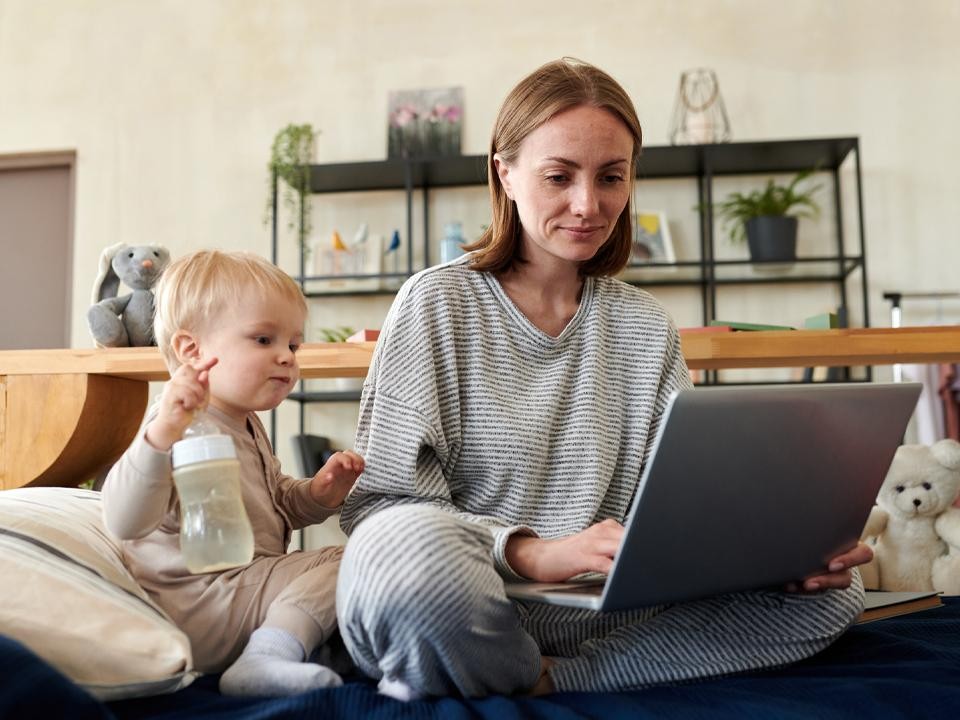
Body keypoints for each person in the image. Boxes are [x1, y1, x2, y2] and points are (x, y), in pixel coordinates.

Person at [334, 58, 872, 699]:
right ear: (504, 173)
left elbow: (683, 502)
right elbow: (378, 507)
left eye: (611, 177)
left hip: (611, 610)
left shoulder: (645, 324)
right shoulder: (435, 303)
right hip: (474, 600)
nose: (588, 205)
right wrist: (530, 553)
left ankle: (553, 679)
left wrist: (780, 552)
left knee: (838, 594)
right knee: (403, 550)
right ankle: (524, 663)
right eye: (559, 176)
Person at [102, 249, 364, 697]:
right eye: (264, 340)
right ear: (192, 350)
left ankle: (299, 652)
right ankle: (264, 658)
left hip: (248, 589)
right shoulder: (172, 425)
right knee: (353, 557)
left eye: (293, 345)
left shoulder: (245, 423)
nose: (286, 356)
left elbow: (275, 503)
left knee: (365, 588)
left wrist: (318, 494)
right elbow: (124, 520)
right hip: (203, 605)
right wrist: (162, 432)